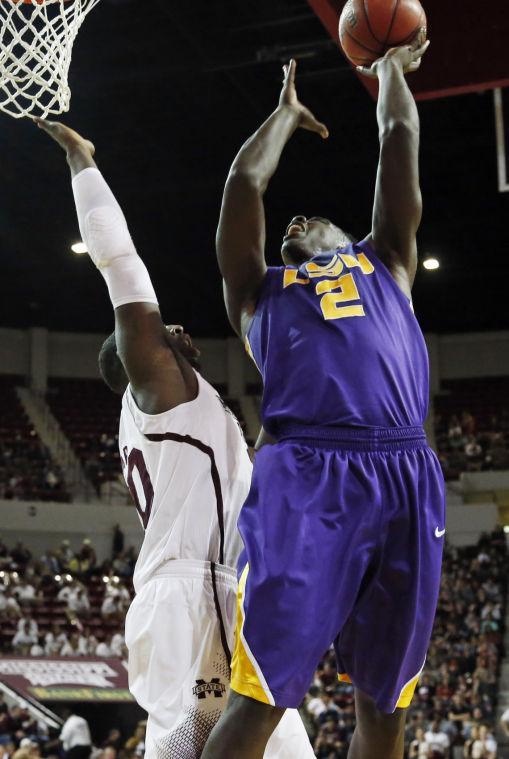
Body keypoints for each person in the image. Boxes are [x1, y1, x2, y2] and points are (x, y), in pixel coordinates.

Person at [36, 118, 313, 759]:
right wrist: (84, 163)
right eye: (165, 333)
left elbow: (260, 463)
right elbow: (121, 266)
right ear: (146, 355)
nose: (178, 331)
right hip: (196, 593)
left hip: (204, 591)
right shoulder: (161, 392)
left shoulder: (194, 410)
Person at [202, 33, 444, 759]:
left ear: (349, 234)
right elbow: (244, 186)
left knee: (385, 700)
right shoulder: (260, 293)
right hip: (307, 477)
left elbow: (398, 133)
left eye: (312, 219)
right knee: (261, 696)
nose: (298, 221)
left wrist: (391, 72)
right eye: (290, 228)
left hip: (405, 470)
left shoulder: (388, 261)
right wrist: (280, 117)